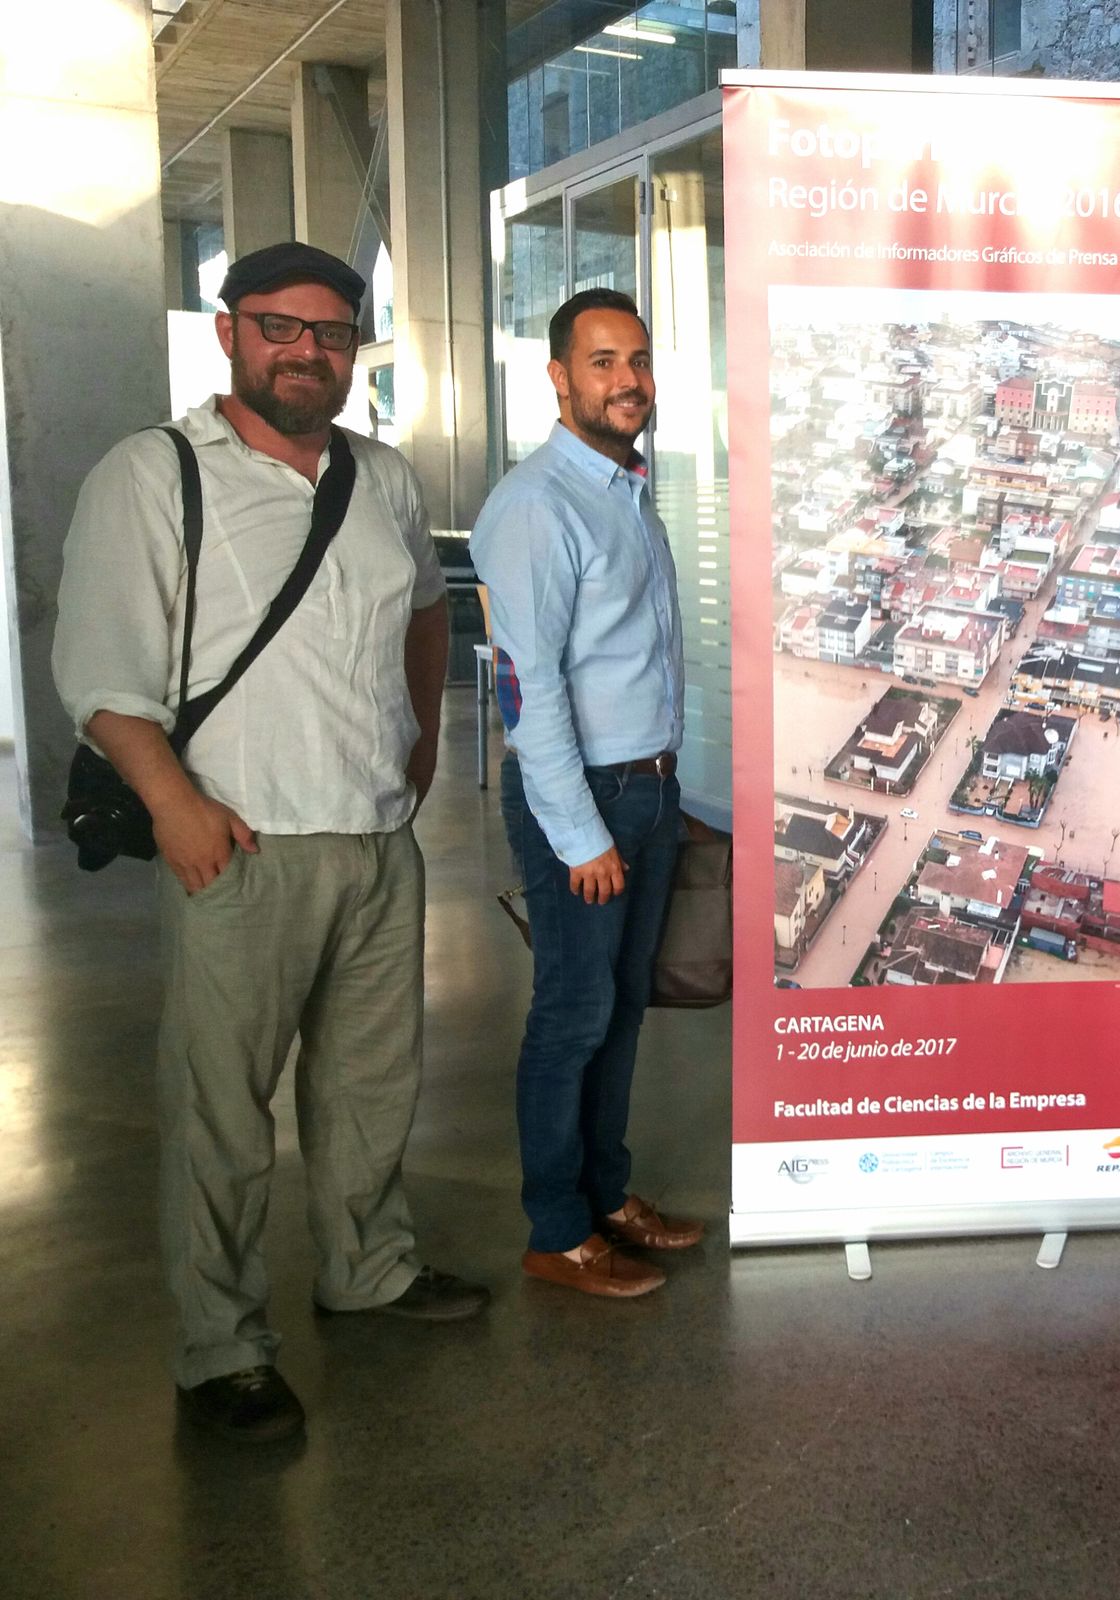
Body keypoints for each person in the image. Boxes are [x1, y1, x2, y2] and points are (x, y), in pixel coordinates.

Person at [53, 241, 490, 1446]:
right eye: (279, 327)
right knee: (221, 1110)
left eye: (331, 332)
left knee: (370, 1084)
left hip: (376, 837)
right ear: (229, 332)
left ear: (354, 348)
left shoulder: (383, 478)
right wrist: (172, 804)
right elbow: (99, 672)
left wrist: (418, 746)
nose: (306, 351)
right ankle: (222, 1346)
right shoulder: (154, 473)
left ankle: (367, 1267)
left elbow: (424, 609)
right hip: (238, 839)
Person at [472, 287, 703, 1299]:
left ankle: (606, 1196)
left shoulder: (624, 491)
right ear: (559, 378)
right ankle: (556, 1231)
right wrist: (578, 835)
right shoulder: (537, 506)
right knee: (571, 1015)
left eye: (638, 359)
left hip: (644, 789)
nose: (627, 380)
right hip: (586, 801)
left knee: (620, 1011)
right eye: (602, 361)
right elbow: (529, 687)